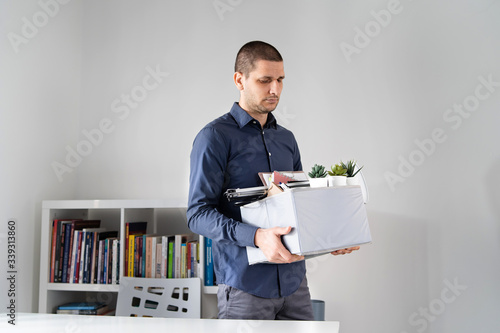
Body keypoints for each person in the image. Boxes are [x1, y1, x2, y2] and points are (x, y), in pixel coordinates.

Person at [187, 41, 359, 320]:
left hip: (295, 285)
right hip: (245, 287)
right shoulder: (214, 137)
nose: (275, 89)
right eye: (265, 80)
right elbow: (198, 214)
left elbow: (300, 205)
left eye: (280, 80)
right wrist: (257, 237)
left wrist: (331, 236)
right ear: (239, 80)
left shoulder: (286, 139)